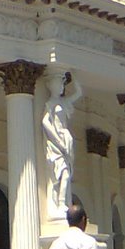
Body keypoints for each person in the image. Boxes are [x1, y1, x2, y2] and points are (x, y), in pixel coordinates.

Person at [42, 71, 82, 217]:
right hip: (56, 142)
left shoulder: (64, 102)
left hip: (66, 140)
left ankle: (64, 203)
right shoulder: (50, 103)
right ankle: (60, 203)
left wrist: (73, 75)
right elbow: (45, 122)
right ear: (52, 86)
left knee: (67, 173)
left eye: (62, 85)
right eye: (59, 84)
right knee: (61, 173)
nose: (61, 87)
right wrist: (57, 140)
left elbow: (78, 92)